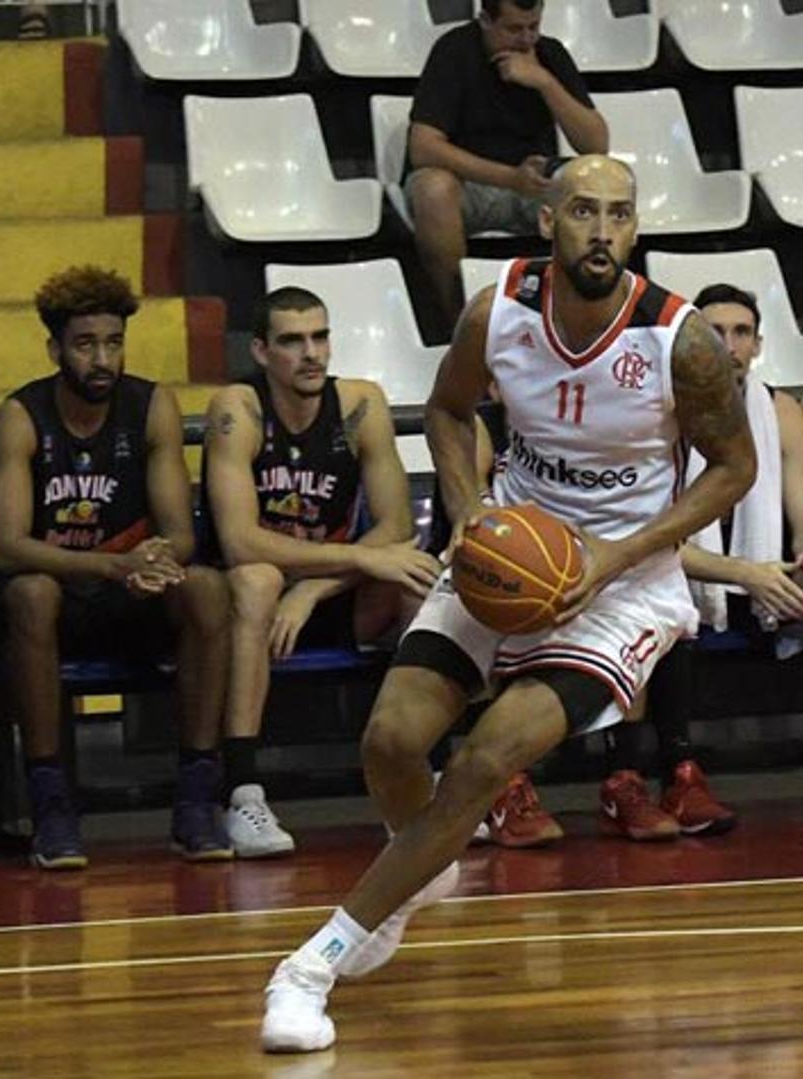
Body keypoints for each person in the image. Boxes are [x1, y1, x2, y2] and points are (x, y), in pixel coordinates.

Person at [259, 154, 756, 1053]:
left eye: (618, 215)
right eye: (582, 212)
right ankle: (421, 865)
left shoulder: (679, 342)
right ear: (547, 222)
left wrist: (620, 552)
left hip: (622, 586)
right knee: (390, 741)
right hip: (508, 551)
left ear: (635, 229)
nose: (601, 231)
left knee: (486, 758)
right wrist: (466, 507)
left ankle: (311, 964)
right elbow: (448, 411)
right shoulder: (499, 311)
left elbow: (735, 470)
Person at [601, 283, 803, 839]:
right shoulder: (655, 413)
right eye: (714, 333)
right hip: (690, 575)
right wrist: (744, 573)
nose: (729, 345)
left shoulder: (781, 411)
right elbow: (649, 543)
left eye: (740, 333)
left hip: (763, 579)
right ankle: (680, 774)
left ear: (757, 344)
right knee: (663, 590)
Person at [0, 266, 234, 869]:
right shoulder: (21, 416)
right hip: (59, 600)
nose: (102, 359)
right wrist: (113, 564)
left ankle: (198, 798)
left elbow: (179, 535)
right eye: (86, 344)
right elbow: (7, 547)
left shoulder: (151, 407)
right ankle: (52, 806)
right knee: (31, 594)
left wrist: (152, 563)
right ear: (55, 348)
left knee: (205, 589)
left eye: (113, 343)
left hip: (128, 593)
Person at [201, 288, 445, 858]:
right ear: (261, 351)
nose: (311, 353)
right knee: (257, 579)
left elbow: (395, 525)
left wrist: (313, 589)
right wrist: (357, 559)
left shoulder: (362, 403)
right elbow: (239, 543)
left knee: (413, 574)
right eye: (292, 341)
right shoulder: (237, 408)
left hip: (327, 594)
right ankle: (242, 793)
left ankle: (418, 782)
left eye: (320, 337)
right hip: (251, 607)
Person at [406, 0, 608, 326]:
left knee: (600, 182)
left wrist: (544, 81)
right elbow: (424, 148)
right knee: (432, 189)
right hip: (470, 186)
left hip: (535, 186)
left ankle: (585, 319)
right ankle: (461, 324)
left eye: (534, 27)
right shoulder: (454, 51)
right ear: (486, 20)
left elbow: (596, 145)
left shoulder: (549, 54)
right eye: (514, 29)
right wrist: (509, 178)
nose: (526, 39)